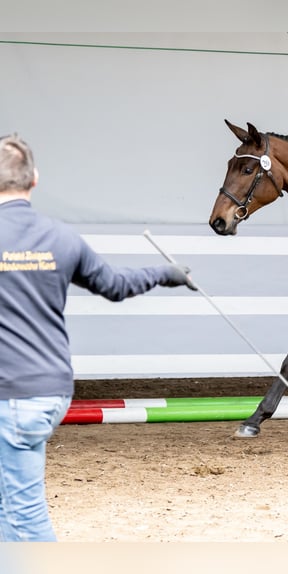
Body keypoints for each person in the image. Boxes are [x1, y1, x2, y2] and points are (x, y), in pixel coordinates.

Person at [0, 134, 196, 541]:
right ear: (34, 179)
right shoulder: (60, 237)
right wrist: (165, 273)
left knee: (23, 514)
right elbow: (116, 285)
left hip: (10, 396)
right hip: (49, 390)